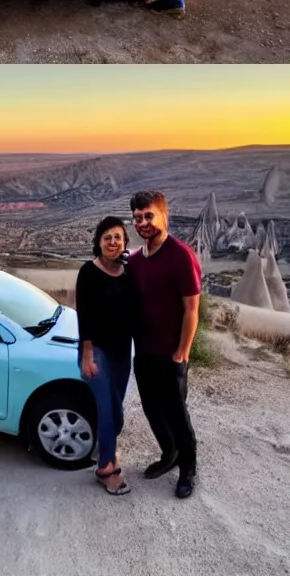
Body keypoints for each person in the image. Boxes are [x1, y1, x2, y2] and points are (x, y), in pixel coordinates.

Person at [126, 191, 201, 499]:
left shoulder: (180, 255)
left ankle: (188, 469)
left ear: (163, 216)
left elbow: (191, 310)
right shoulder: (134, 260)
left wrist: (181, 353)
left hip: (170, 354)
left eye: (148, 216)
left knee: (176, 414)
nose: (143, 222)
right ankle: (168, 454)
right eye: (138, 217)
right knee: (152, 410)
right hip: (143, 353)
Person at [77, 216, 139, 497]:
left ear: (125, 242)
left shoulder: (128, 272)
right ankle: (106, 469)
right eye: (107, 237)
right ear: (99, 242)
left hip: (122, 351)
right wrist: (87, 354)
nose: (113, 242)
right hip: (97, 350)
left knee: (116, 411)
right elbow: (84, 315)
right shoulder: (88, 272)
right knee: (107, 411)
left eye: (118, 237)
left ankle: (106, 451)